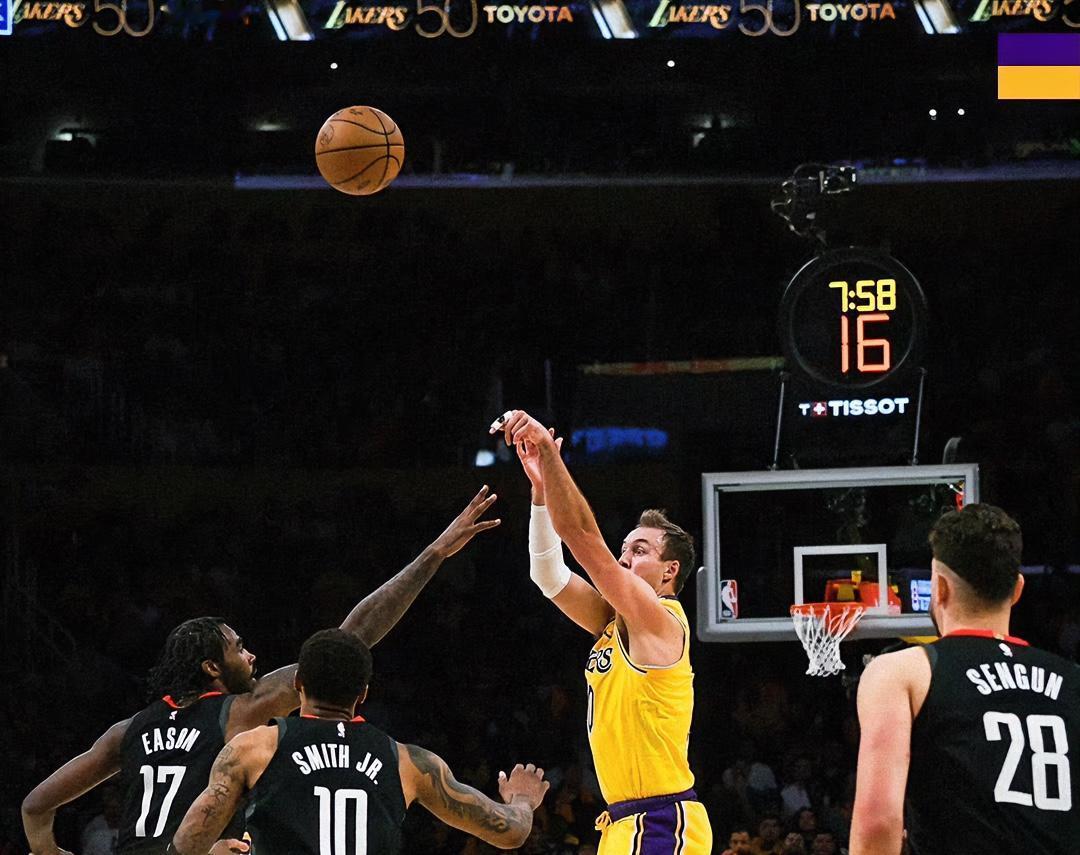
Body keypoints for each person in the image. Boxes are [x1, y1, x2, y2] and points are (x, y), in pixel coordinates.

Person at [23, 487, 501, 855]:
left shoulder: (126, 731)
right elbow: (349, 640)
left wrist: (47, 850)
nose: (251, 656)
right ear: (212, 667)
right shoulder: (240, 712)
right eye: (239, 648)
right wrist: (433, 554)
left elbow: (36, 805)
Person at [495, 410, 712, 854]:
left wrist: (549, 452)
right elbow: (548, 575)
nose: (624, 558)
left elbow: (580, 534)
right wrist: (540, 494)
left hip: (660, 820)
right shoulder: (615, 622)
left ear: (670, 570)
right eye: (623, 548)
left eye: (640, 550)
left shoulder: (662, 620)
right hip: (622, 822)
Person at [169, 628, 549, 854]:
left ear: (298, 684)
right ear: (364, 693)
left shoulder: (254, 747)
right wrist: (522, 799)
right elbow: (511, 832)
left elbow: (186, 846)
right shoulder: (407, 762)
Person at [849, 503, 1080, 855]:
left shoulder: (902, 672)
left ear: (939, 587)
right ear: (1017, 590)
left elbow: (878, 824)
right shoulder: (1072, 679)